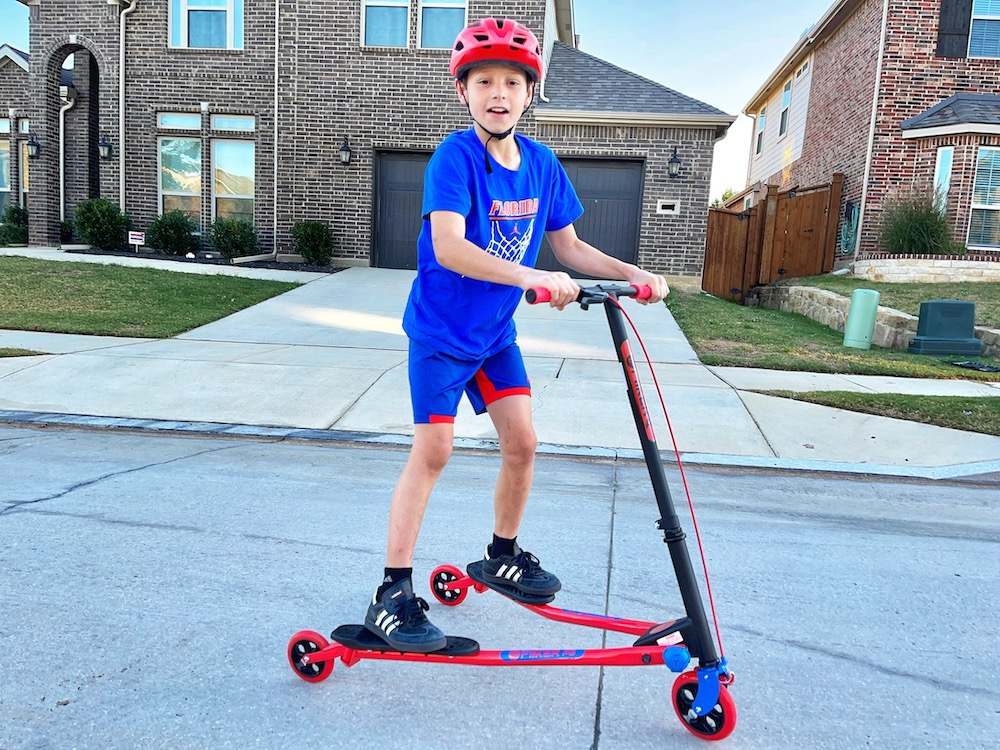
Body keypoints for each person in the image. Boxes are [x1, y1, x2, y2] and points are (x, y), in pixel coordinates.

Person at [364, 17, 669, 652]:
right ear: (464, 92)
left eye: (511, 81)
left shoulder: (542, 164)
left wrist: (634, 275)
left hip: (494, 335)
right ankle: (391, 592)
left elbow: (571, 246)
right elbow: (449, 247)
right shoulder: (455, 158)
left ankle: (501, 554)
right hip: (441, 335)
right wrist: (534, 278)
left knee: (524, 442)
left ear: (530, 93)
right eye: (483, 81)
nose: (497, 92)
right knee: (435, 451)